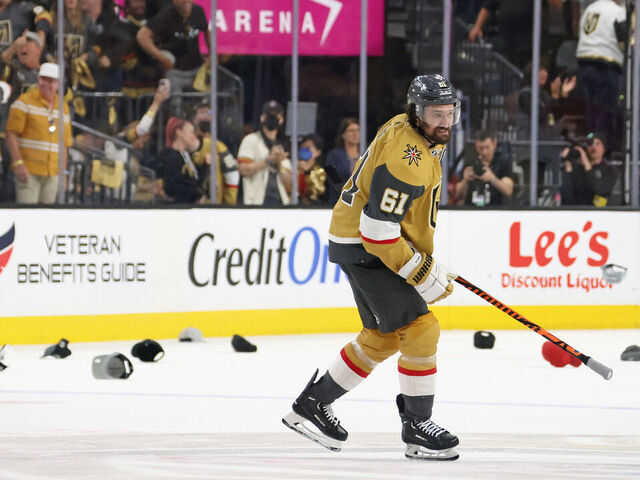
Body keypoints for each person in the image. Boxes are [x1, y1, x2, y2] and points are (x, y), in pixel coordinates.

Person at [283, 74, 461, 461]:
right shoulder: (408, 155)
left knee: (382, 337)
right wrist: (419, 270)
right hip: (368, 248)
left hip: (359, 243)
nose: (445, 122)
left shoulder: (415, 131)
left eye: (450, 113)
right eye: (436, 114)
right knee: (421, 328)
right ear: (417, 113)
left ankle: (312, 405)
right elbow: (378, 231)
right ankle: (417, 425)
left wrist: (419, 258)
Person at [6, 62, 72, 204]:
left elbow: (64, 144)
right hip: (29, 172)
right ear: (38, 79)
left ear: (58, 84)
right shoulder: (24, 102)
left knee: (47, 217)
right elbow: (11, 134)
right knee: (28, 215)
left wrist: (63, 173)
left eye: (51, 81)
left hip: (52, 173)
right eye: (43, 79)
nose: (46, 84)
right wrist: (18, 163)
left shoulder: (63, 108)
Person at [575, 0, 626, 153]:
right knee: (606, 109)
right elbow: (623, 39)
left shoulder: (590, 8)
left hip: (584, 64)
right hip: (605, 65)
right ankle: (602, 148)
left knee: (591, 109)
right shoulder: (617, 11)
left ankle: (591, 142)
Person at [136, 0, 208, 102]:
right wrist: (162, 58)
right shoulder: (166, 15)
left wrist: (212, 57)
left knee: (204, 102)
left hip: (197, 69)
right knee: (176, 106)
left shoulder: (198, 11)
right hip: (175, 70)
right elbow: (142, 36)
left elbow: (207, 31)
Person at [237, 100, 292, 206]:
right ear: (262, 117)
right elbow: (243, 169)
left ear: (281, 120)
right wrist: (268, 160)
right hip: (257, 203)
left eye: (276, 115)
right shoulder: (251, 140)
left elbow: (290, 182)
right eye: (270, 115)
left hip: (280, 203)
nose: (273, 118)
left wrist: (279, 164)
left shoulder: (281, 146)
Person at [191, 102, 239, 205]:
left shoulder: (219, 146)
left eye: (209, 112)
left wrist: (230, 203)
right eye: (202, 112)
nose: (206, 115)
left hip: (215, 205)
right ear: (194, 118)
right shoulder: (187, 144)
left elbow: (232, 174)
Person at [454, 129, 514, 206]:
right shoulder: (470, 163)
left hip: (496, 209)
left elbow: (508, 190)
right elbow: (458, 195)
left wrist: (493, 179)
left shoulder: (503, 163)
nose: (484, 152)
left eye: (487, 147)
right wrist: (465, 180)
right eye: (481, 148)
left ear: (494, 144)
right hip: (471, 209)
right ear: (476, 146)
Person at [155, 117, 206, 203]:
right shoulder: (170, 157)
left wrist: (205, 165)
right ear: (179, 132)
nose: (193, 136)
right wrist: (195, 194)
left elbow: (195, 181)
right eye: (191, 132)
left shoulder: (185, 155)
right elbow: (172, 187)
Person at [559, 132, 617, 206]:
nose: (594, 147)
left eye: (597, 144)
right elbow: (567, 195)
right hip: (577, 210)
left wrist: (587, 164)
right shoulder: (578, 168)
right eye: (590, 144)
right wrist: (568, 167)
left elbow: (599, 190)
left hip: (598, 212)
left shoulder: (610, 171)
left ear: (604, 148)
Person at [325, 118, 360, 205]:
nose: (355, 134)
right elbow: (332, 178)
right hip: (339, 202)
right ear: (343, 134)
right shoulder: (333, 155)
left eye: (358, 130)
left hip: (362, 203)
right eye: (351, 131)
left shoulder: (366, 153)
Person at [297, 133, 327, 205]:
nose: (304, 150)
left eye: (308, 148)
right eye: (303, 147)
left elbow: (318, 191)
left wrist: (307, 172)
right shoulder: (293, 166)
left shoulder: (319, 171)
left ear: (318, 153)